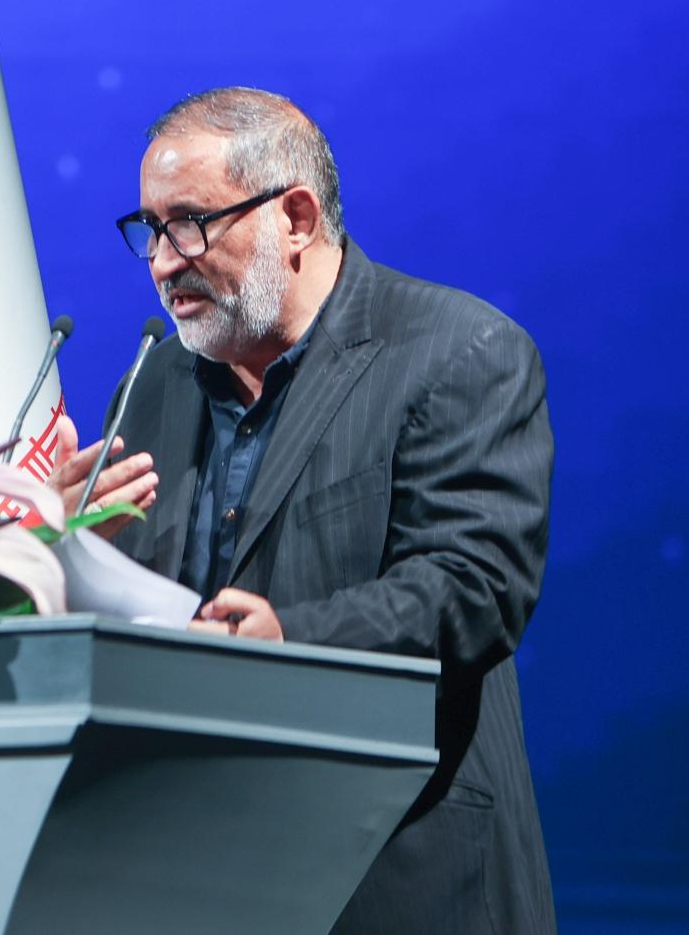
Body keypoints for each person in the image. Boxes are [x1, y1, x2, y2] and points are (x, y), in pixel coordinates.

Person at [39, 86, 554, 934]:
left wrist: (289, 640)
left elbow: (473, 589)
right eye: (149, 230)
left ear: (297, 218)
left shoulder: (458, 350)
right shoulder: (153, 384)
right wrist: (60, 550)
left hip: (396, 871)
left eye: (188, 224)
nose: (162, 261)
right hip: (185, 870)